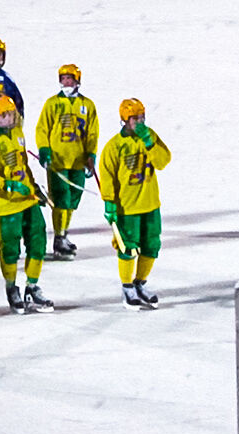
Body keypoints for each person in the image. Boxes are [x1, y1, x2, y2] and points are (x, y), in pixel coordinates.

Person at [0, 95, 53, 313]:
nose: (9, 118)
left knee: (38, 239)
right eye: (3, 115)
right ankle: (11, 287)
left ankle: (32, 286)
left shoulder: (18, 134)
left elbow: (23, 165)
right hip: (5, 205)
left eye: (10, 114)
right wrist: (6, 185)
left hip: (27, 200)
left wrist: (34, 187)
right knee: (10, 248)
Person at [98, 98, 172, 309]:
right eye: (134, 118)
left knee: (151, 245)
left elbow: (163, 161)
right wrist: (109, 203)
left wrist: (149, 143)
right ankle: (127, 287)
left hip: (150, 204)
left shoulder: (149, 136)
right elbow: (108, 175)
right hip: (127, 208)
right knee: (128, 248)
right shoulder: (114, 146)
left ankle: (140, 283)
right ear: (124, 120)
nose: (139, 122)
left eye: (141, 117)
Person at [35, 63, 99, 257]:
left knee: (73, 199)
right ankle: (59, 236)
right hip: (58, 161)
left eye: (69, 79)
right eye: (63, 79)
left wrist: (91, 155)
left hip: (78, 161)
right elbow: (42, 128)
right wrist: (44, 150)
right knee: (61, 199)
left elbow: (92, 133)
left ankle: (64, 232)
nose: (66, 82)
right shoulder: (52, 103)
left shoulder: (87, 105)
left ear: (77, 80)